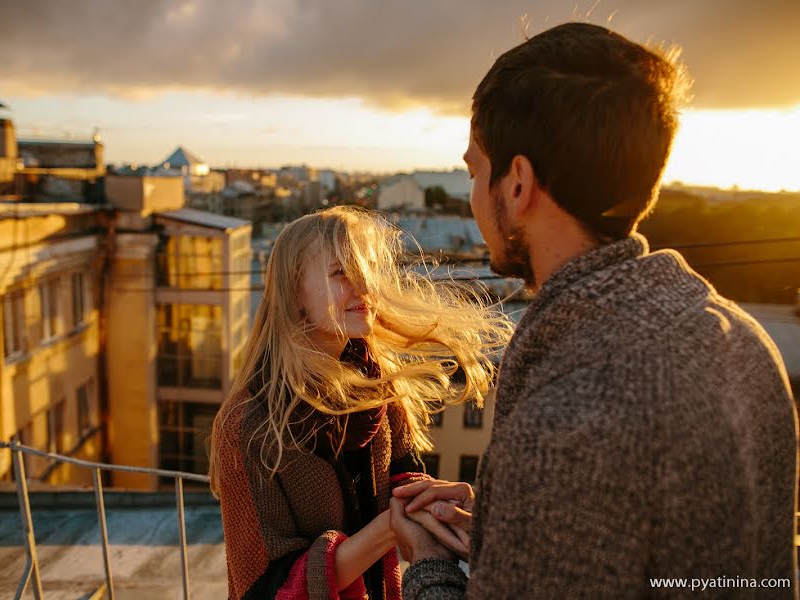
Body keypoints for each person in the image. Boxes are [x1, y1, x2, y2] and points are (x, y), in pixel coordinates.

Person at [390, 22, 798, 598]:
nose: (473, 195)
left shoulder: (568, 426)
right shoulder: (742, 341)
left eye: (476, 170)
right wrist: (510, 527)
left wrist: (428, 564)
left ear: (518, 184)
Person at [209, 206, 510, 599]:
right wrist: (388, 527)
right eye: (341, 272)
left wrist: (437, 502)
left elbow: (404, 476)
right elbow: (266, 587)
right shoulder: (249, 422)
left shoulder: (377, 384)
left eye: (366, 270)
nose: (364, 286)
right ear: (294, 294)